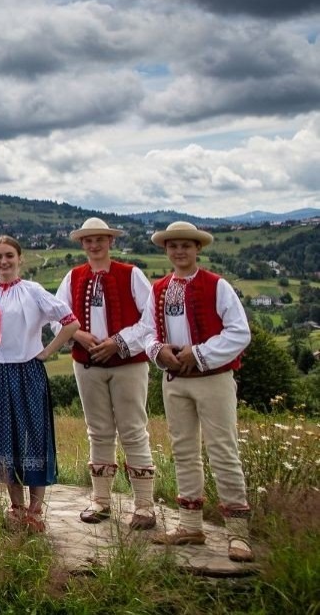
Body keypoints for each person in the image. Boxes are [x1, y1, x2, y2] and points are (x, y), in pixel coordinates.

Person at [144, 222, 254, 563]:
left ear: (197, 249)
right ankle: (190, 524)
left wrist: (200, 353)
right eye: (173, 246)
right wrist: (157, 350)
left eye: (186, 246)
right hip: (175, 380)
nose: (179, 251)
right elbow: (147, 331)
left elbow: (240, 332)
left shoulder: (216, 285)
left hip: (214, 378)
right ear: (166, 250)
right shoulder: (159, 288)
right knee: (184, 450)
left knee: (223, 448)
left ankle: (239, 534)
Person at [0, 236, 80, 532]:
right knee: (5, 441)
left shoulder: (33, 291)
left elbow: (70, 322)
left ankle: (35, 510)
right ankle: (16, 506)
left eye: (9, 256)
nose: (3, 261)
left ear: (20, 258)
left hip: (27, 373)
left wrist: (48, 352)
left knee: (32, 438)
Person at [55, 217, 157, 529]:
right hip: (87, 363)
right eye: (88, 240)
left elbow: (151, 318)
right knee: (97, 429)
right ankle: (100, 500)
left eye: (100, 239)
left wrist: (118, 342)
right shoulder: (73, 277)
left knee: (133, 429)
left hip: (128, 363)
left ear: (110, 242)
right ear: (82, 244)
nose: (94, 244)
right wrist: (80, 336)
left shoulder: (131, 274)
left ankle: (144, 505)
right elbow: (57, 317)